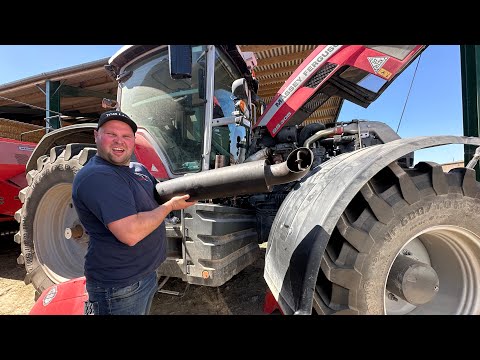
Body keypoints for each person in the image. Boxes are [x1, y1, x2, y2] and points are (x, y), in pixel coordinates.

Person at [72, 109, 196, 315]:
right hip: (119, 287)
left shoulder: (138, 170)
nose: (119, 141)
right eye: (111, 134)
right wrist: (170, 207)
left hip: (145, 275)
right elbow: (130, 233)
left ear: (133, 140)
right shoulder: (97, 176)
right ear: (96, 135)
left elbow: (159, 195)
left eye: (126, 136)